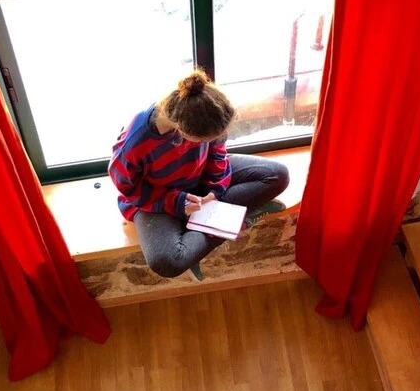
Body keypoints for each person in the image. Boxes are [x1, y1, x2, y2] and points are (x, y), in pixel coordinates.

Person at [110, 69, 289, 279]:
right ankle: (231, 221)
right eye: (204, 140)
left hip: (199, 179)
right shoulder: (134, 143)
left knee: (277, 175)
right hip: (158, 197)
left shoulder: (206, 111)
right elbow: (129, 189)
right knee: (167, 262)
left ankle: (200, 236)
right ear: (182, 132)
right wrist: (177, 202)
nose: (212, 141)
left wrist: (215, 189)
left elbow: (218, 154)